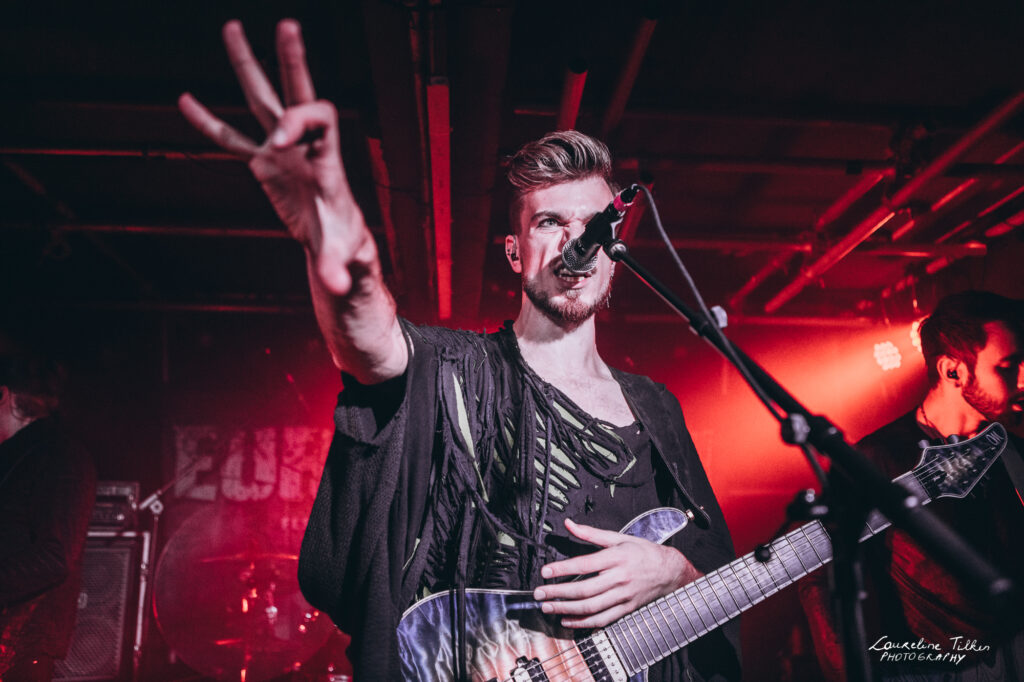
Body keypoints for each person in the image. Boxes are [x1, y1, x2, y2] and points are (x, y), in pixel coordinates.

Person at [179, 19, 740, 682]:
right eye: (549, 223)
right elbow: (372, 345)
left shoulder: (656, 408)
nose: (575, 243)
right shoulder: (454, 370)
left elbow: (713, 569)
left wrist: (677, 573)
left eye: (592, 225)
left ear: (615, 254)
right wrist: (337, 242)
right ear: (515, 252)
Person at [799, 290, 1024, 681]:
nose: (1023, 378)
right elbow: (816, 575)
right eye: (1008, 366)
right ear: (952, 371)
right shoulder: (877, 458)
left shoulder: (1014, 451)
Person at [0, 332, 96, 681]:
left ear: (5, 396)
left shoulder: (60, 456)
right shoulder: (16, 455)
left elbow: (54, 558)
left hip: (17, 651)